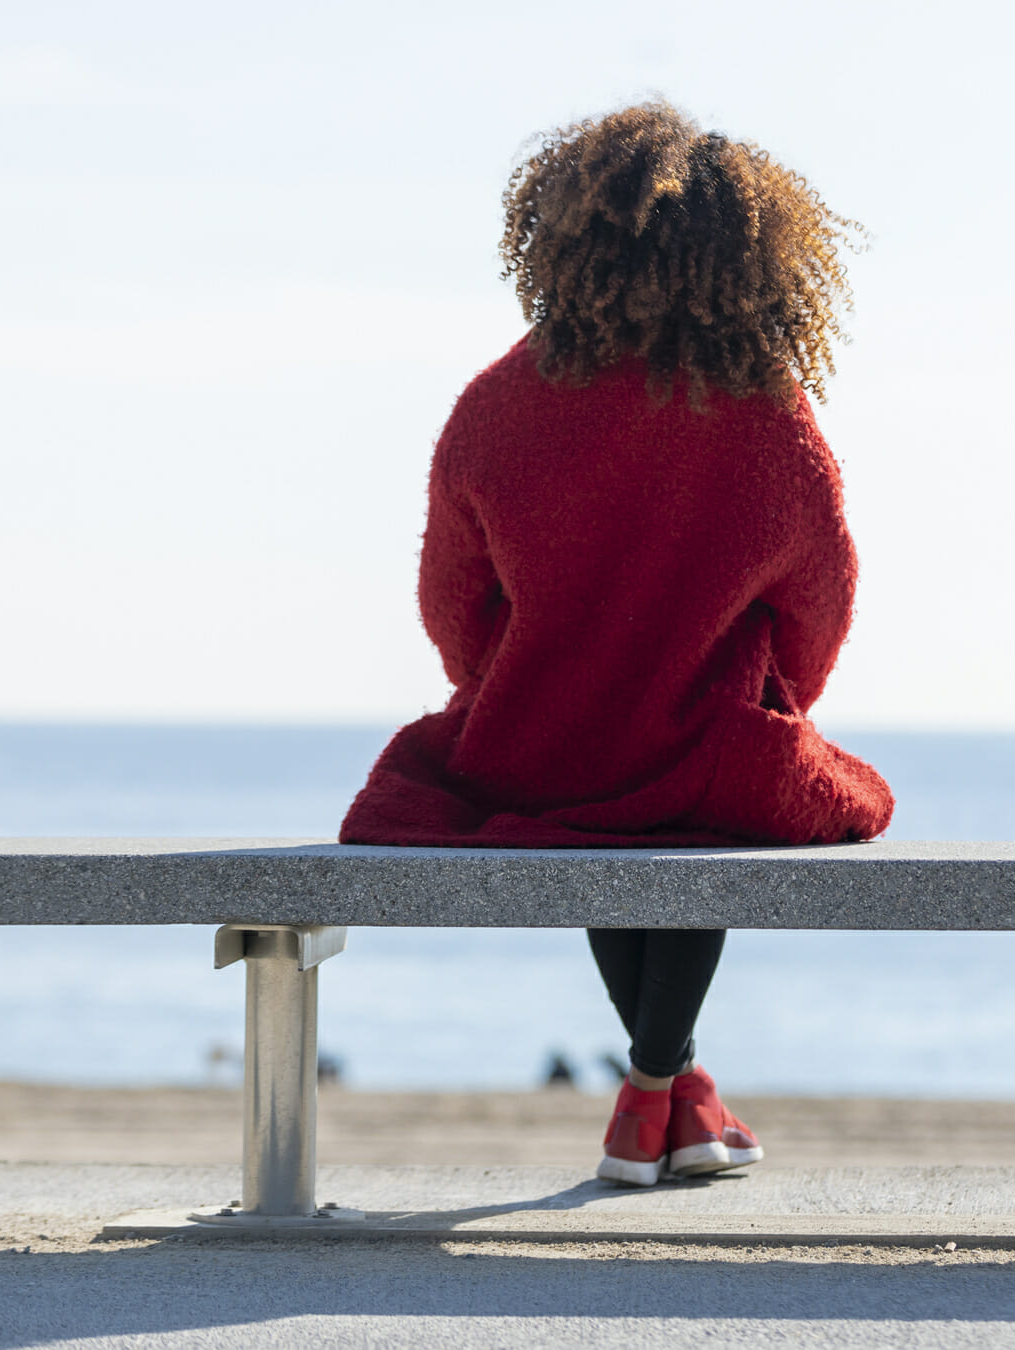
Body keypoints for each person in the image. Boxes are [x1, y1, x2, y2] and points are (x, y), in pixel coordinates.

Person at [340, 100, 892, 1185]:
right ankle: (650, 1094)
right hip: (701, 755)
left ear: (562, 242)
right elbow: (821, 602)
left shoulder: (496, 406)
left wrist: (524, 684)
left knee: (596, 803)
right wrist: (778, 691)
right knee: (707, 808)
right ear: (748, 255)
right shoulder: (763, 409)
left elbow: (454, 609)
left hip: (540, 748)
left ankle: (675, 1100)